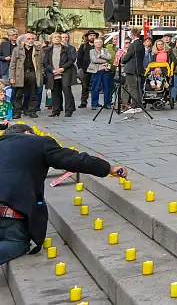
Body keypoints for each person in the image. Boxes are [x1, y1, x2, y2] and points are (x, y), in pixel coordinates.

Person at [0, 124, 127, 265]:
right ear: (28, 133)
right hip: (11, 210)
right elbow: (75, 160)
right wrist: (109, 168)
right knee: (17, 242)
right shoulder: (37, 142)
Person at [8, 33, 41, 119]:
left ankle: (32, 111)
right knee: (18, 94)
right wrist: (12, 77)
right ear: (24, 39)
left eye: (32, 39)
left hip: (33, 73)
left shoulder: (38, 50)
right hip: (20, 73)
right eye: (29, 39)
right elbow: (12, 64)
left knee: (33, 94)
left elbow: (41, 64)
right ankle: (17, 112)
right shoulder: (17, 50)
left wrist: (41, 75)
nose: (30, 40)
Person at [43, 33, 75, 118]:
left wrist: (62, 68)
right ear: (51, 39)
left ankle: (68, 110)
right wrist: (53, 70)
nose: (57, 39)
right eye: (55, 37)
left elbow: (71, 60)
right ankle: (56, 110)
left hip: (65, 73)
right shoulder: (47, 50)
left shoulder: (66, 49)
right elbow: (45, 62)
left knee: (67, 91)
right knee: (55, 93)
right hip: (53, 73)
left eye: (58, 37)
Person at [120, 28, 145, 113]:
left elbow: (128, 55)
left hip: (131, 69)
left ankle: (134, 106)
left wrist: (122, 61)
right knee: (137, 88)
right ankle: (139, 105)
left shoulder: (133, 44)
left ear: (132, 35)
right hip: (138, 68)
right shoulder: (141, 44)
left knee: (132, 88)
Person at [87, 37, 112, 109]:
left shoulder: (105, 50)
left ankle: (107, 103)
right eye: (97, 42)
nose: (98, 44)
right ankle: (94, 104)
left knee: (106, 87)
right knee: (95, 88)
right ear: (94, 44)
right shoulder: (92, 51)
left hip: (105, 71)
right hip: (96, 71)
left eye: (100, 42)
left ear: (102, 43)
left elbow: (109, 57)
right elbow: (94, 60)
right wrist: (105, 60)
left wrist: (101, 56)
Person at [76, 30, 98, 108]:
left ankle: (95, 102)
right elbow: (79, 58)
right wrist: (80, 68)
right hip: (86, 69)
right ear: (87, 37)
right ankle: (83, 102)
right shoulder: (83, 46)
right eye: (91, 35)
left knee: (96, 86)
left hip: (96, 69)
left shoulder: (98, 45)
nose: (92, 37)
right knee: (85, 86)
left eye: (94, 35)